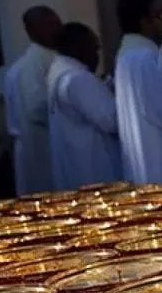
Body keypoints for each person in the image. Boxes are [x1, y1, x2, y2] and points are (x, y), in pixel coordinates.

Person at [114, 0, 162, 184]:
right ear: (144, 22)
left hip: (142, 145)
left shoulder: (127, 54)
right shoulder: (145, 58)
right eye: (159, 16)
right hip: (158, 148)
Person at [47, 22, 122, 190]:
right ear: (76, 49)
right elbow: (111, 120)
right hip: (95, 166)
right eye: (94, 48)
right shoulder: (77, 78)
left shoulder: (59, 71)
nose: (97, 56)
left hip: (78, 162)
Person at [3, 6, 62, 195]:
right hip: (39, 146)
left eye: (57, 23)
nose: (57, 29)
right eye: (50, 25)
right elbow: (36, 107)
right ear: (32, 30)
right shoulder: (31, 65)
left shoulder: (48, 58)